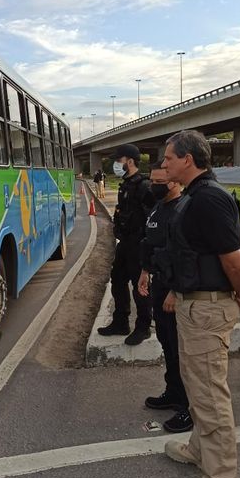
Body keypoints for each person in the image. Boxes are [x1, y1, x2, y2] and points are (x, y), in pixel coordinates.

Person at [161, 130, 240, 478]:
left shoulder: (208, 199)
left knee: (209, 395)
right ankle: (199, 449)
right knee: (197, 384)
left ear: (188, 160)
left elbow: (234, 260)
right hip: (195, 306)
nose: (165, 164)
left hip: (208, 310)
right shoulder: (194, 196)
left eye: (169, 157)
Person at [137, 161, 192, 433]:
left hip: (175, 288)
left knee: (181, 348)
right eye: (152, 180)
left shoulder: (183, 209)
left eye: (159, 181)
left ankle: (188, 408)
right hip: (158, 283)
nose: (154, 186)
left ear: (173, 181)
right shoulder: (159, 208)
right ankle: (172, 392)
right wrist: (145, 271)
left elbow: (184, 255)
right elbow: (150, 242)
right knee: (167, 344)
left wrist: (175, 290)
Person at [98, 144, 155, 344]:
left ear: (130, 161)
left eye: (119, 160)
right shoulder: (126, 184)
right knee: (118, 280)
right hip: (125, 243)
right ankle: (121, 322)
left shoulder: (144, 186)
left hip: (139, 245)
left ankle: (143, 327)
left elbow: (151, 219)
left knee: (140, 287)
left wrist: (147, 249)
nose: (116, 164)